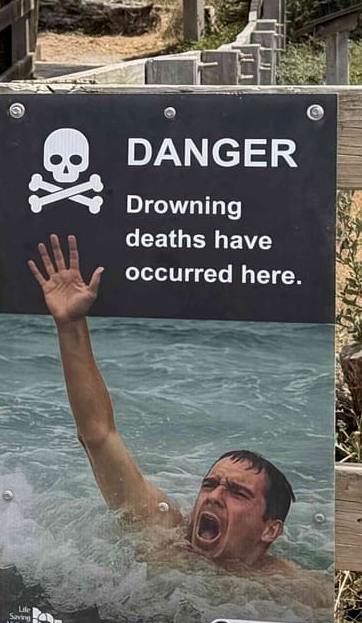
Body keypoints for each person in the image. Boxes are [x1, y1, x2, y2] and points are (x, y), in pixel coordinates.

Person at [28, 234, 318, 593]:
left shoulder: (293, 588)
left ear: (270, 530)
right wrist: (70, 325)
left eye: (237, 493)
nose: (213, 496)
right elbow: (99, 435)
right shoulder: (162, 533)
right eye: (210, 484)